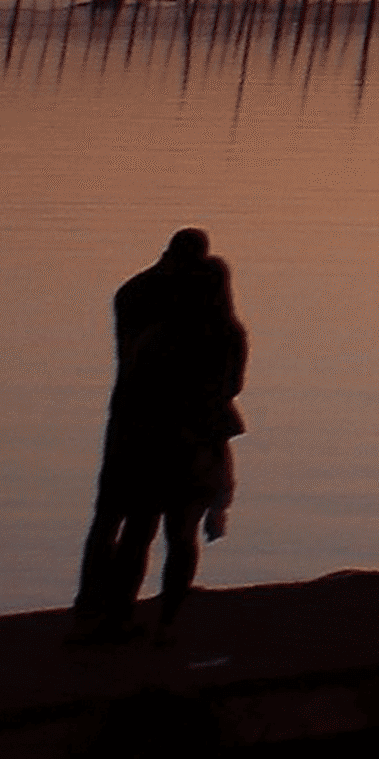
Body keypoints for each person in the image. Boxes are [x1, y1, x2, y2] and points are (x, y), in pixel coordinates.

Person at [74, 227, 248, 638]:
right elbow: (230, 385)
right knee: (167, 529)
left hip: (145, 430)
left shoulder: (142, 300)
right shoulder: (218, 329)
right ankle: (151, 617)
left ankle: (108, 613)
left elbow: (136, 367)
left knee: (134, 524)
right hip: (183, 436)